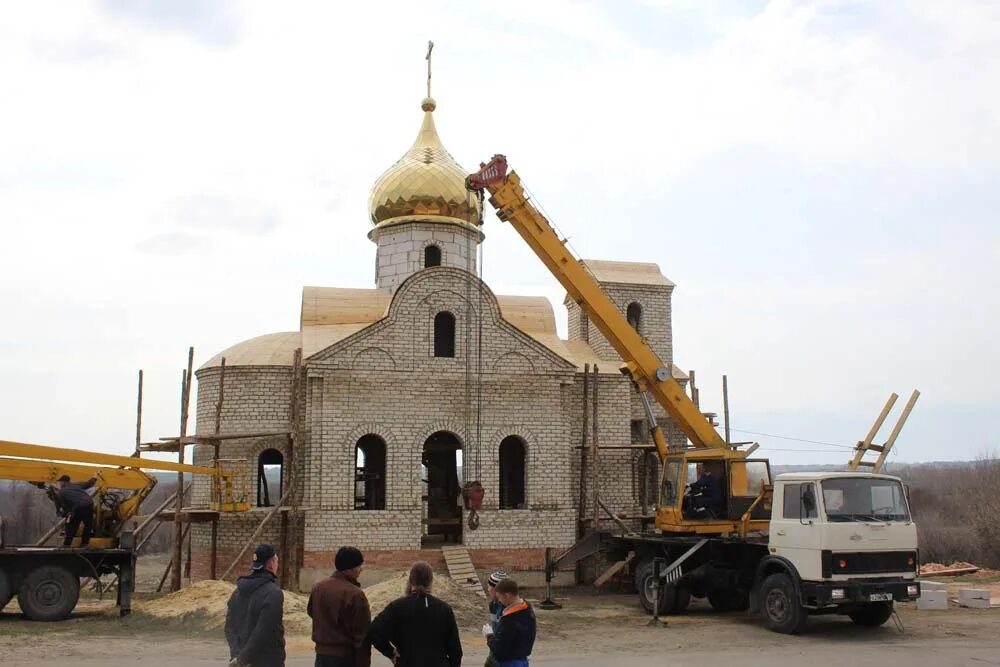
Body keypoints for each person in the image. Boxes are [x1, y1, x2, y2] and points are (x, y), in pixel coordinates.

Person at [367, 561, 462, 667]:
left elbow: (374, 631)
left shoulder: (397, 607)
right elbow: (455, 650)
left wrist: (391, 652)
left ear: (410, 581)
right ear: (431, 582)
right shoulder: (444, 609)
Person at [308, 546, 371, 667]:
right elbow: (362, 634)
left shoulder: (318, 587)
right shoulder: (355, 594)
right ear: (350, 568)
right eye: (359, 565)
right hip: (345, 658)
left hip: (321, 657)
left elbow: (312, 612)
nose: (361, 570)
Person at [225, 543, 285, 667]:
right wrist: (243, 659)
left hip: (240, 659)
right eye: (276, 561)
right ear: (271, 564)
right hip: (267, 661)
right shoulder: (273, 593)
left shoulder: (237, 591)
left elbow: (230, 627)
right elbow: (263, 631)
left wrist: (237, 656)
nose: (277, 565)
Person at [488, 578, 536, 667]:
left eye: (499, 597)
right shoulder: (527, 608)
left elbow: (498, 650)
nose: (499, 601)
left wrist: (489, 636)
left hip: (509, 662)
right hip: (522, 659)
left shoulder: (509, 620)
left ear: (507, 595)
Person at [56, 474, 96, 547]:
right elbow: (89, 484)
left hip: (77, 506)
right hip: (89, 504)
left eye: (60, 482)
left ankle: (67, 544)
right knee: (88, 525)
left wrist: (66, 514)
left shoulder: (61, 492)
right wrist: (95, 477)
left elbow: (64, 505)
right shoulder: (76, 485)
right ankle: (84, 544)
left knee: (72, 525)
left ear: (64, 482)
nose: (59, 484)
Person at [483, 570, 509, 667]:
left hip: (504, 656)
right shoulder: (493, 605)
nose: (488, 589)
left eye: (490, 586)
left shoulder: (509, 609)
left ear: (497, 590)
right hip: (494, 650)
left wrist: (489, 635)